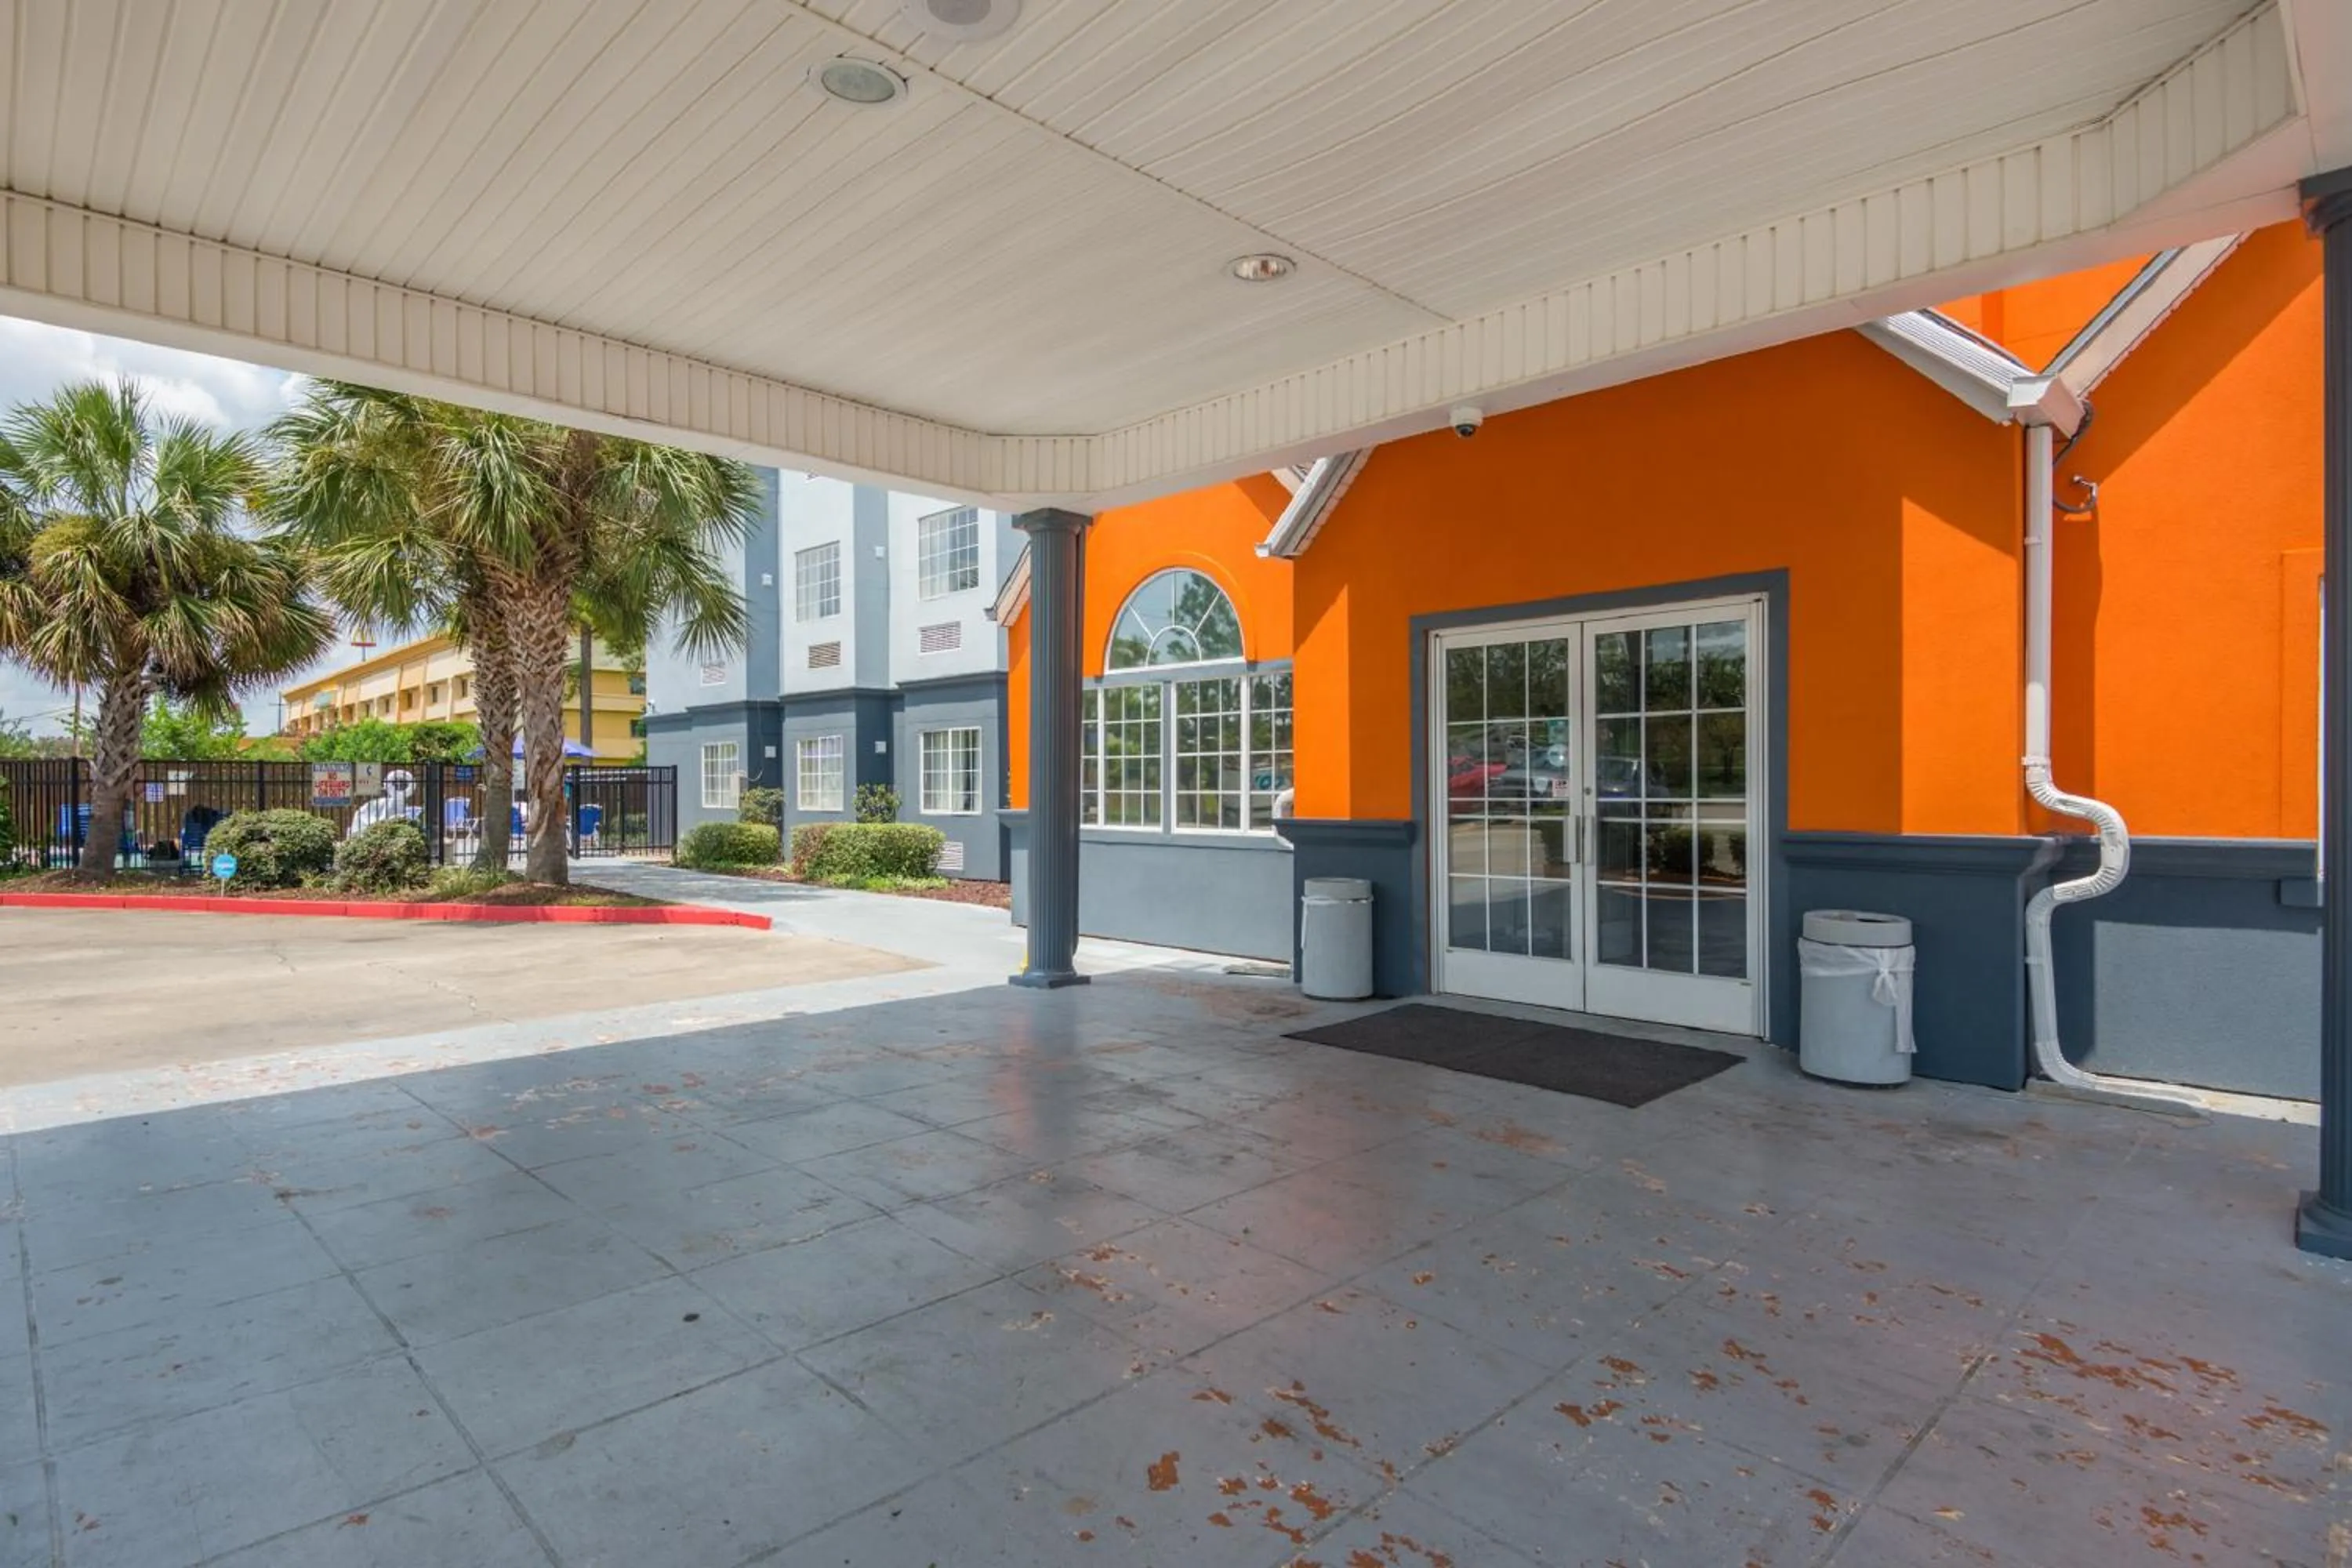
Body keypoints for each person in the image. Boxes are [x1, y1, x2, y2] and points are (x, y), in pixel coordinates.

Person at [345, 769, 416, 837]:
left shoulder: (404, 806)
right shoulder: (381, 804)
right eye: (397, 783)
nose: (399, 785)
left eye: (402, 784)